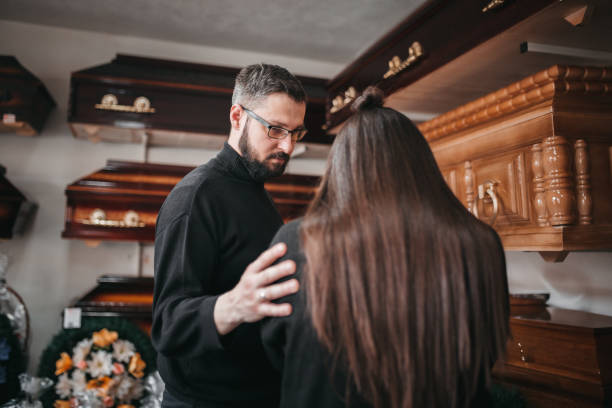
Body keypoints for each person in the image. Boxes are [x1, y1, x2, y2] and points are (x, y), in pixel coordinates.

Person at [261, 87, 510, 408]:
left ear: (340, 168)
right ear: (420, 165)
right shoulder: (480, 242)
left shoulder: (295, 242)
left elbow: (275, 349)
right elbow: (486, 349)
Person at [152, 63, 309, 408]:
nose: (288, 146)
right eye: (275, 129)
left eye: (296, 132)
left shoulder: (257, 191)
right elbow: (168, 326)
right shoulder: (195, 198)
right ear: (237, 115)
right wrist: (235, 304)